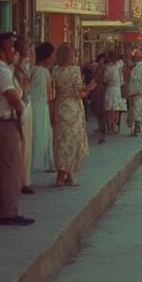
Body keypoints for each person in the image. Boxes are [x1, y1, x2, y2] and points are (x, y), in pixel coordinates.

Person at [0, 32, 33, 227]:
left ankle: (6, 210)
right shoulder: (0, 71)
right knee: (11, 169)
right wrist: (21, 113)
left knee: (8, 169)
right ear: (3, 50)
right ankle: (8, 212)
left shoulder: (6, 69)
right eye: (12, 48)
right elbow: (12, 96)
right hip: (4, 122)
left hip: (5, 122)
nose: (16, 52)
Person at [51, 43, 94, 186]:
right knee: (72, 142)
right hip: (74, 109)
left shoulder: (56, 71)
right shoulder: (75, 70)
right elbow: (78, 93)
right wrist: (89, 89)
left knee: (61, 142)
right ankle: (66, 175)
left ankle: (64, 175)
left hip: (60, 107)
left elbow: (54, 91)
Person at [30, 42, 55, 173]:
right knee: (43, 134)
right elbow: (50, 95)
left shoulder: (33, 70)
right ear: (46, 58)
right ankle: (44, 162)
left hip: (32, 106)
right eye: (52, 56)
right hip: (41, 107)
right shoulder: (44, 72)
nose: (53, 59)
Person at [14, 38, 35, 196]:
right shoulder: (16, 68)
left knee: (25, 147)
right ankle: (21, 181)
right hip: (20, 108)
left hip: (26, 105)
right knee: (22, 147)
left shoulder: (23, 67)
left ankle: (24, 180)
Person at [126, 50, 142, 136]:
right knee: (133, 110)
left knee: (137, 110)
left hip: (138, 91)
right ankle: (134, 127)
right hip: (132, 91)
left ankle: (136, 127)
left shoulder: (141, 66)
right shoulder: (133, 66)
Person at [104, 52, 126, 136]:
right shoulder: (118, 67)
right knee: (115, 109)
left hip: (110, 89)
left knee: (109, 109)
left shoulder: (108, 68)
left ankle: (110, 127)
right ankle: (113, 126)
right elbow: (121, 79)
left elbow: (105, 80)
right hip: (116, 89)